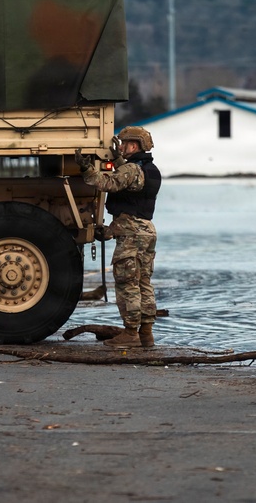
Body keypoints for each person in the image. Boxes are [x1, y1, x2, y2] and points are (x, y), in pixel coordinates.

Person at [75, 126, 161, 348]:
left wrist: (86, 169)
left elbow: (108, 183)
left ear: (134, 146)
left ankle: (131, 334)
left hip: (132, 235)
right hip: (145, 231)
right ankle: (146, 334)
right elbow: (131, 207)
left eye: (124, 144)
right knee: (143, 283)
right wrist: (111, 230)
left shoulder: (132, 169)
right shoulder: (150, 170)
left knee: (127, 284)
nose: (120, 147)